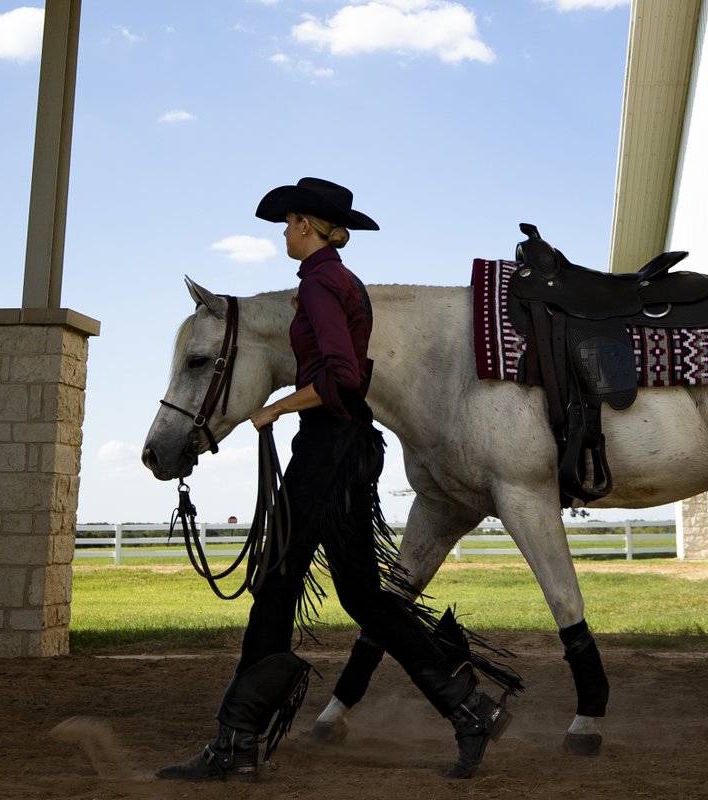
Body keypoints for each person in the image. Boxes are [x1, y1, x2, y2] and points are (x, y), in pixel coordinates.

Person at [158, 177, 519, 782]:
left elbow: (342, 377)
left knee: (277, 584)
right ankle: (469, 708)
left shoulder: (321, 284)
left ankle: (235, 744)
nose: (283, 235)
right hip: (350, 445)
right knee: (362, 595)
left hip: (328, 448)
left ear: (305, 225)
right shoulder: (342, 282)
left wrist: (276, 408)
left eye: (288, 224)